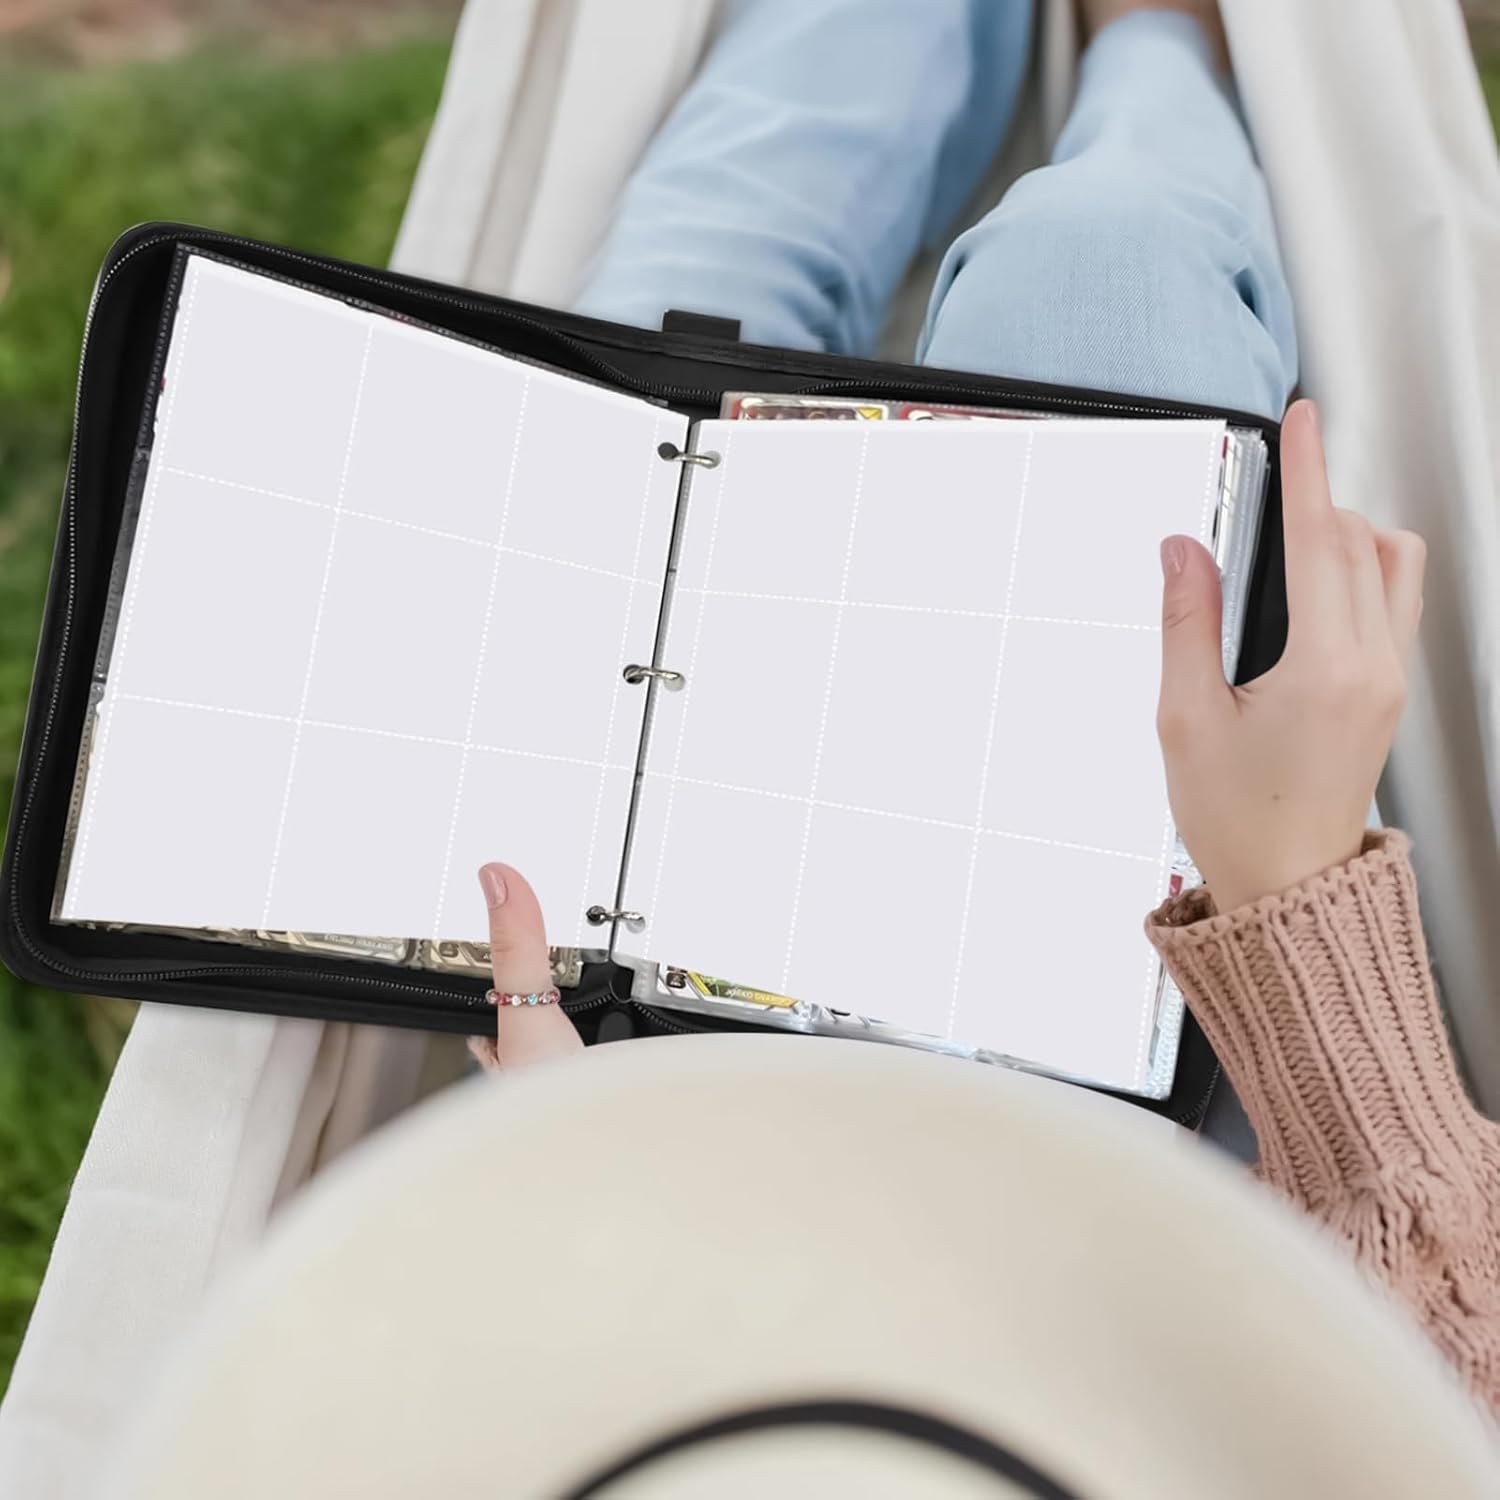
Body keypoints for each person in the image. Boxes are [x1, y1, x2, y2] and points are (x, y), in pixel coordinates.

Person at [461, 0, 1500, 1416]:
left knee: (637, 346)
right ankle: (1153, 45)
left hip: (725, 1228)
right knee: (1101, 263)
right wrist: (1293, 883)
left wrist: (612, 1210)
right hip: (1215, 1212)